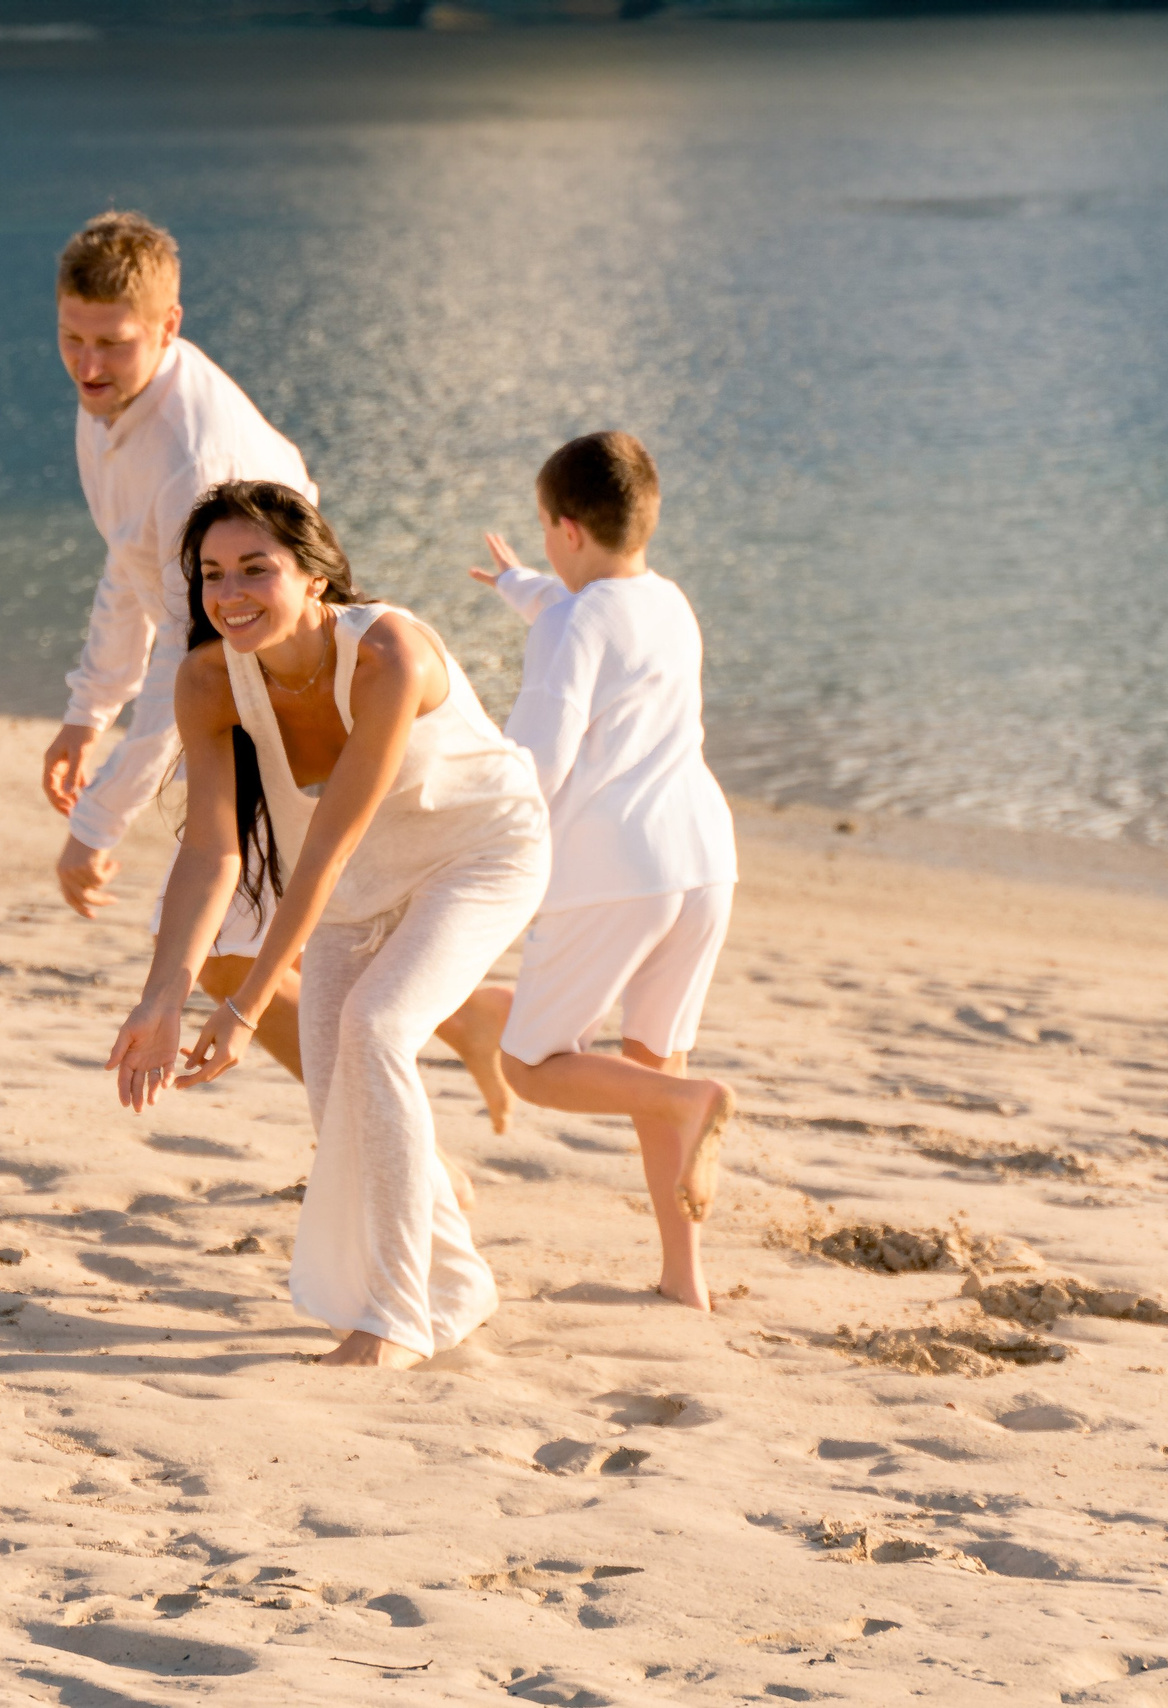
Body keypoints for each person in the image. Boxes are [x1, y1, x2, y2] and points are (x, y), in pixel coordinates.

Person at [41, 209, 516, 1136]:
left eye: (112, 344)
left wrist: (99, 819)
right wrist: (85, 710)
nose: (88, 367)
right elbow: (129, 567)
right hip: (244, 685)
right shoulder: (111, 403)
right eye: (71, 340)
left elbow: (196, 661)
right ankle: (447, 1047)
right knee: (242, 945)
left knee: (229, 948)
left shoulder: (197, 456)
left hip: (293, 694)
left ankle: (387, 1146)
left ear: (169, 326)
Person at [105, 481, 548, 1368]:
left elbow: (326, 851)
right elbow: (212, 853)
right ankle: (457, 1284)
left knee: (374, 1030)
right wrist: (164, 997)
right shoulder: (210, 680)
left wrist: (245, 1006)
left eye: (255, 569)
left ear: (314, 577)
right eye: (212, 574)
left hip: (478, 855)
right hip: (358, 888)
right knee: (340, 1095)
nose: (230, 594)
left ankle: (394, 1317)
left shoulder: (387, 653)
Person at [466, 431, 739, 1310]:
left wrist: (474, 830)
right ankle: (684, 1279)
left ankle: (693, 1103)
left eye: (545, 529)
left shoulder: (572, 624)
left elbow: (539, 756)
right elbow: (579, 609)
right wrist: (518, 584)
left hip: (615, 866)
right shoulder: (667, 601)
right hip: (704, 861)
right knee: (655, 1071)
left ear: (568, 529)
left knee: (530, 1064)